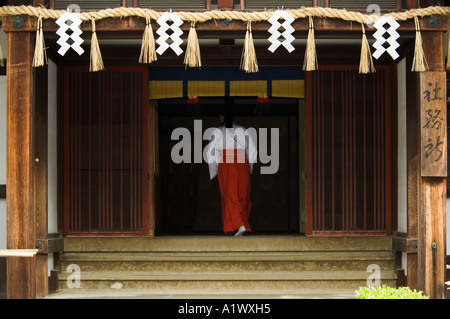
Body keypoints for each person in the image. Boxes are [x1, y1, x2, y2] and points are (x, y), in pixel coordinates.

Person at [205, 108, 257, 236]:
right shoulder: (243, 130)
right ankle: (239, 224)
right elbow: (252, 151)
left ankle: (239, 224)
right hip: (242, 163)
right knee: (242, 195)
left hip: (227, 163)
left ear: (222, 117)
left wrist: (216, 168)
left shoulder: (217, 131)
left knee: (230, 195)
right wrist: (248, 168)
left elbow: (211, 152)